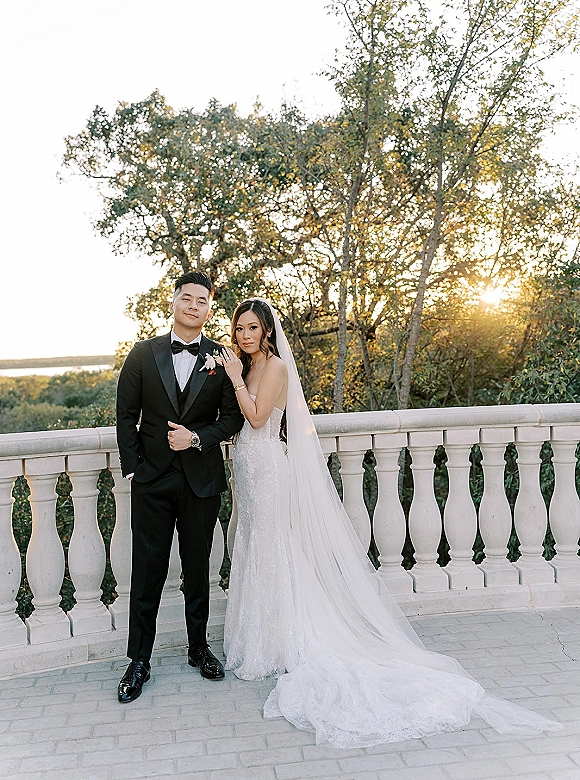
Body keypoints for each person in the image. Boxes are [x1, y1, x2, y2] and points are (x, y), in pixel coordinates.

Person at [220, 297, 562, 748]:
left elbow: (260, 417)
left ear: (267, 331)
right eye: (239, 328)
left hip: (269, 467)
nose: (244, 335)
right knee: (255, 545)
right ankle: (259, 639)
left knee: (274, 548)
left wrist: (232, 379)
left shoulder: (276, 367)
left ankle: (285, 639)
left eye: (251, 328)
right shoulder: (245, 366)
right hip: (250, 467)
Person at [115, 271, 244, 703]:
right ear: (173, 302)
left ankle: (198, 648)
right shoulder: (143, 354)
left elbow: (232, 418)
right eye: (186, 298)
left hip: (200, 480)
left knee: (198, 569)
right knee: (146, 571)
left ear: (209, 308)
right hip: (152, 480)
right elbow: (125, 415)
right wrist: (134, 468)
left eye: (202, 300)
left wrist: (196, 438)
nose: (194, 306)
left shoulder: (223, 359)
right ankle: (139, 660)